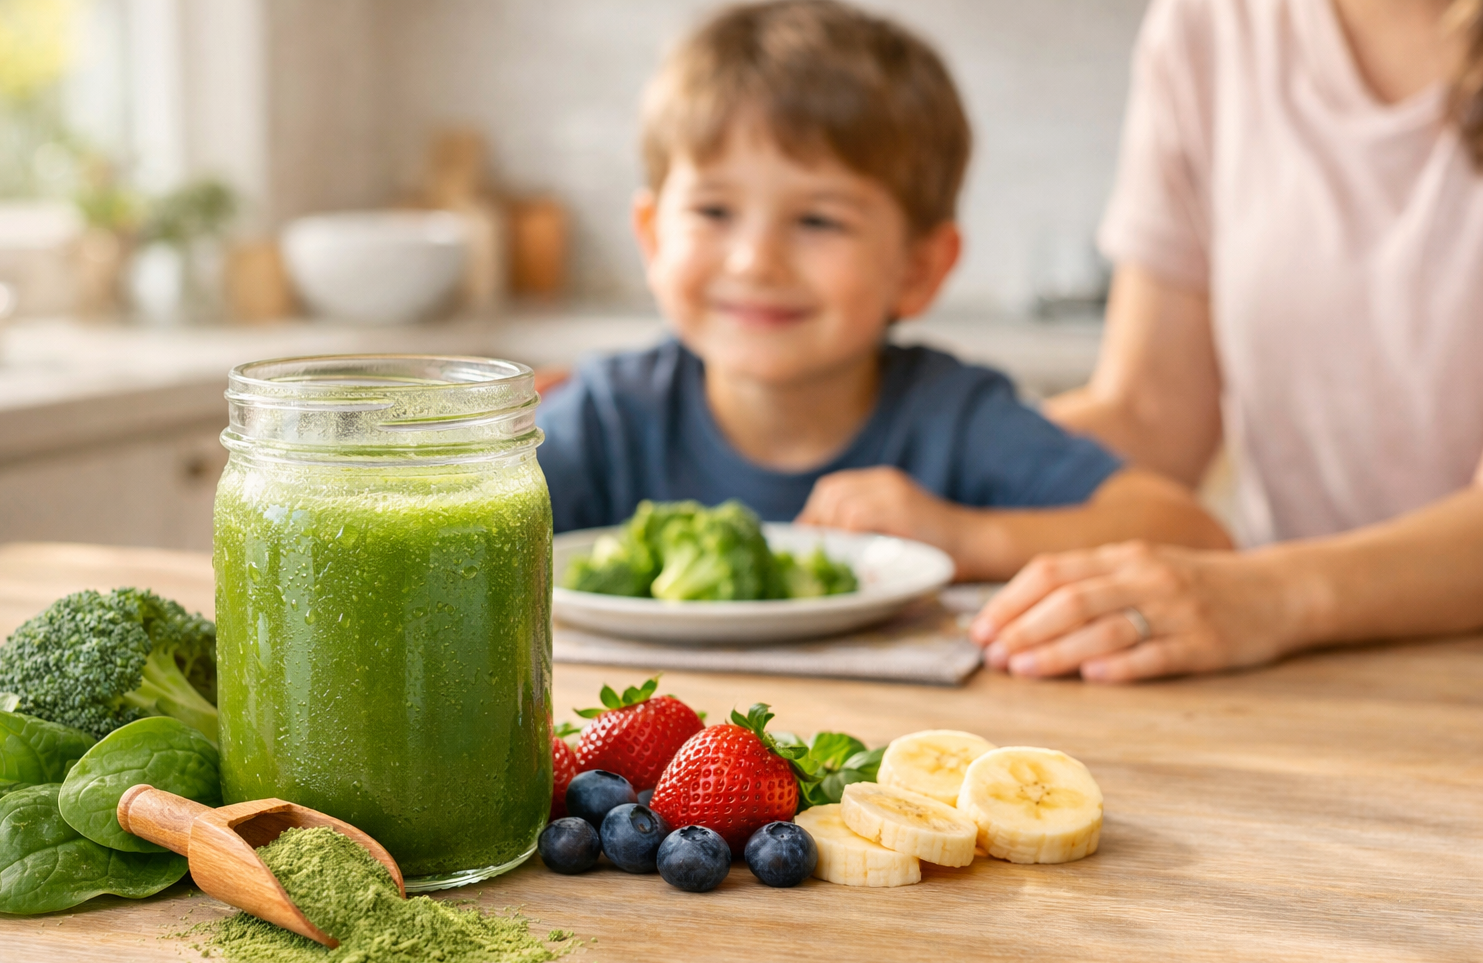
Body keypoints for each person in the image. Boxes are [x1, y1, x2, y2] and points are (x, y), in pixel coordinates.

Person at [536, 0, 1230, 582]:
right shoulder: (607, 417)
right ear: (654, 235)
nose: (755, 261)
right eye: (713, 212)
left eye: (818, 221)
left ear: (919, 269)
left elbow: (1191, 536)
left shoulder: (957, 419)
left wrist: (964, 538)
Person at [970, 0, 1483, 679]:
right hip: (1307, 678)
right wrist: (919, 472)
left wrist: (1273, 595)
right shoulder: (1210, 24)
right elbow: (1152, 412)